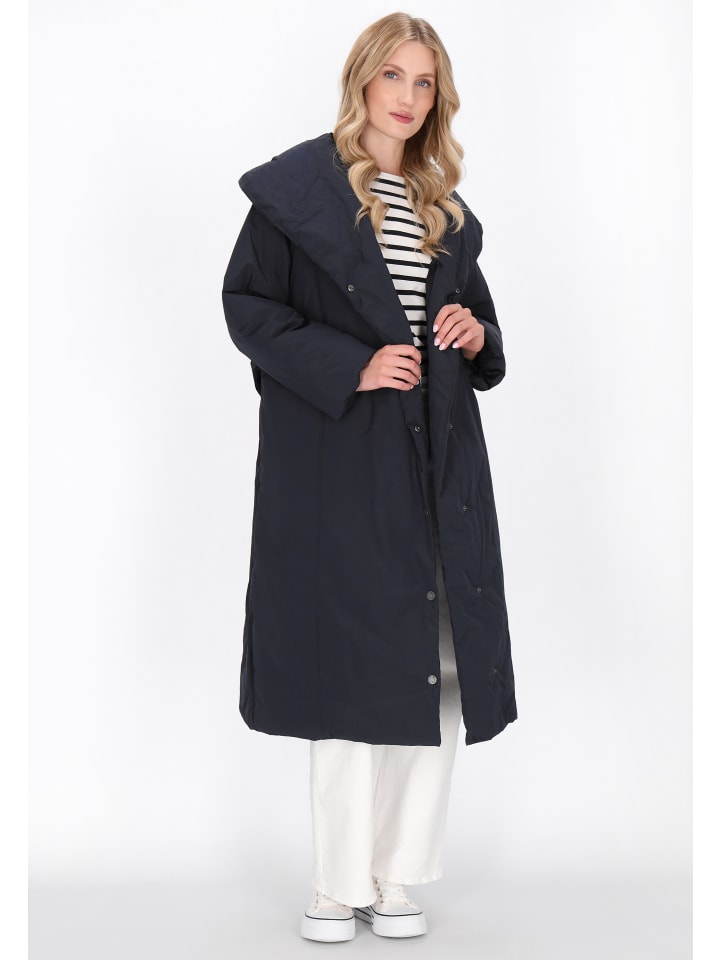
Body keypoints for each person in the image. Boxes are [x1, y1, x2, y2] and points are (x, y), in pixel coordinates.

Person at [221, 11, 518, 943]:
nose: (408, 96)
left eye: (425, 83)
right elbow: (248, 308)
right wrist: (351, 365)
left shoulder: (445, 213)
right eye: (394, 75)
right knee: (346, 672)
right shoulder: (297, 195)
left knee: (438, 668)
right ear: (362, 79)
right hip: (342, 467)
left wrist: (473, 332)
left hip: (438, 465)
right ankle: (335, 883)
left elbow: (476, 330)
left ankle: (396, 878)